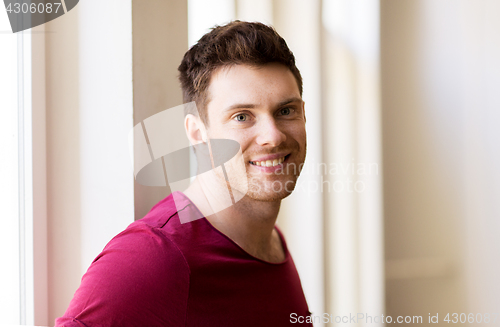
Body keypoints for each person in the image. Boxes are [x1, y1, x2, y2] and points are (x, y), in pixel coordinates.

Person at [55, 21, 312, 326]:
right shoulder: (152, 258)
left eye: (286, 111)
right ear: (197, 133)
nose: (273, 136)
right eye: (242, 116)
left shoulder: (271, 241)